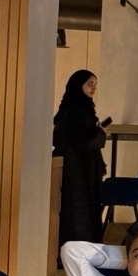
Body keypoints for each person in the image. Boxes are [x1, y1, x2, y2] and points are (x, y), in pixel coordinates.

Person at [53, 70, 107, 247]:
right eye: (89, 84)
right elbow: (83, 141)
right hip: (78, 169)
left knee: (81, 209)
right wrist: (101, 133)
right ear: (78, 86)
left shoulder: (75, 107)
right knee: (80, 211)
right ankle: (82, 248)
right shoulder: (78, 110)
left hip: (78, 167)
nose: (93, 88)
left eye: (95, 85)